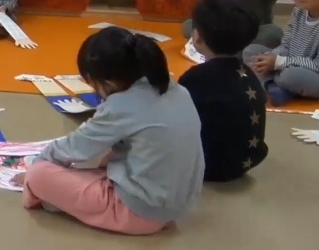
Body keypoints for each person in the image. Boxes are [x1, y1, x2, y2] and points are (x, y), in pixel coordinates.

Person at [16, 27, 204, 235]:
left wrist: (35, 166)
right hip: (175, 206)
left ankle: (42, 192)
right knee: (105, 157)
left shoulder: (122, 105)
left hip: (139, 213)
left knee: (39, 174)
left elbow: (75, 146)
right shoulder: (175, 89)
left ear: (108, 83)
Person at [179, 0, 268, 182]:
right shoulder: (247, 72)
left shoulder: (196, 78)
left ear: (198, 37)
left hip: (209, 167)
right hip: (251, 159)